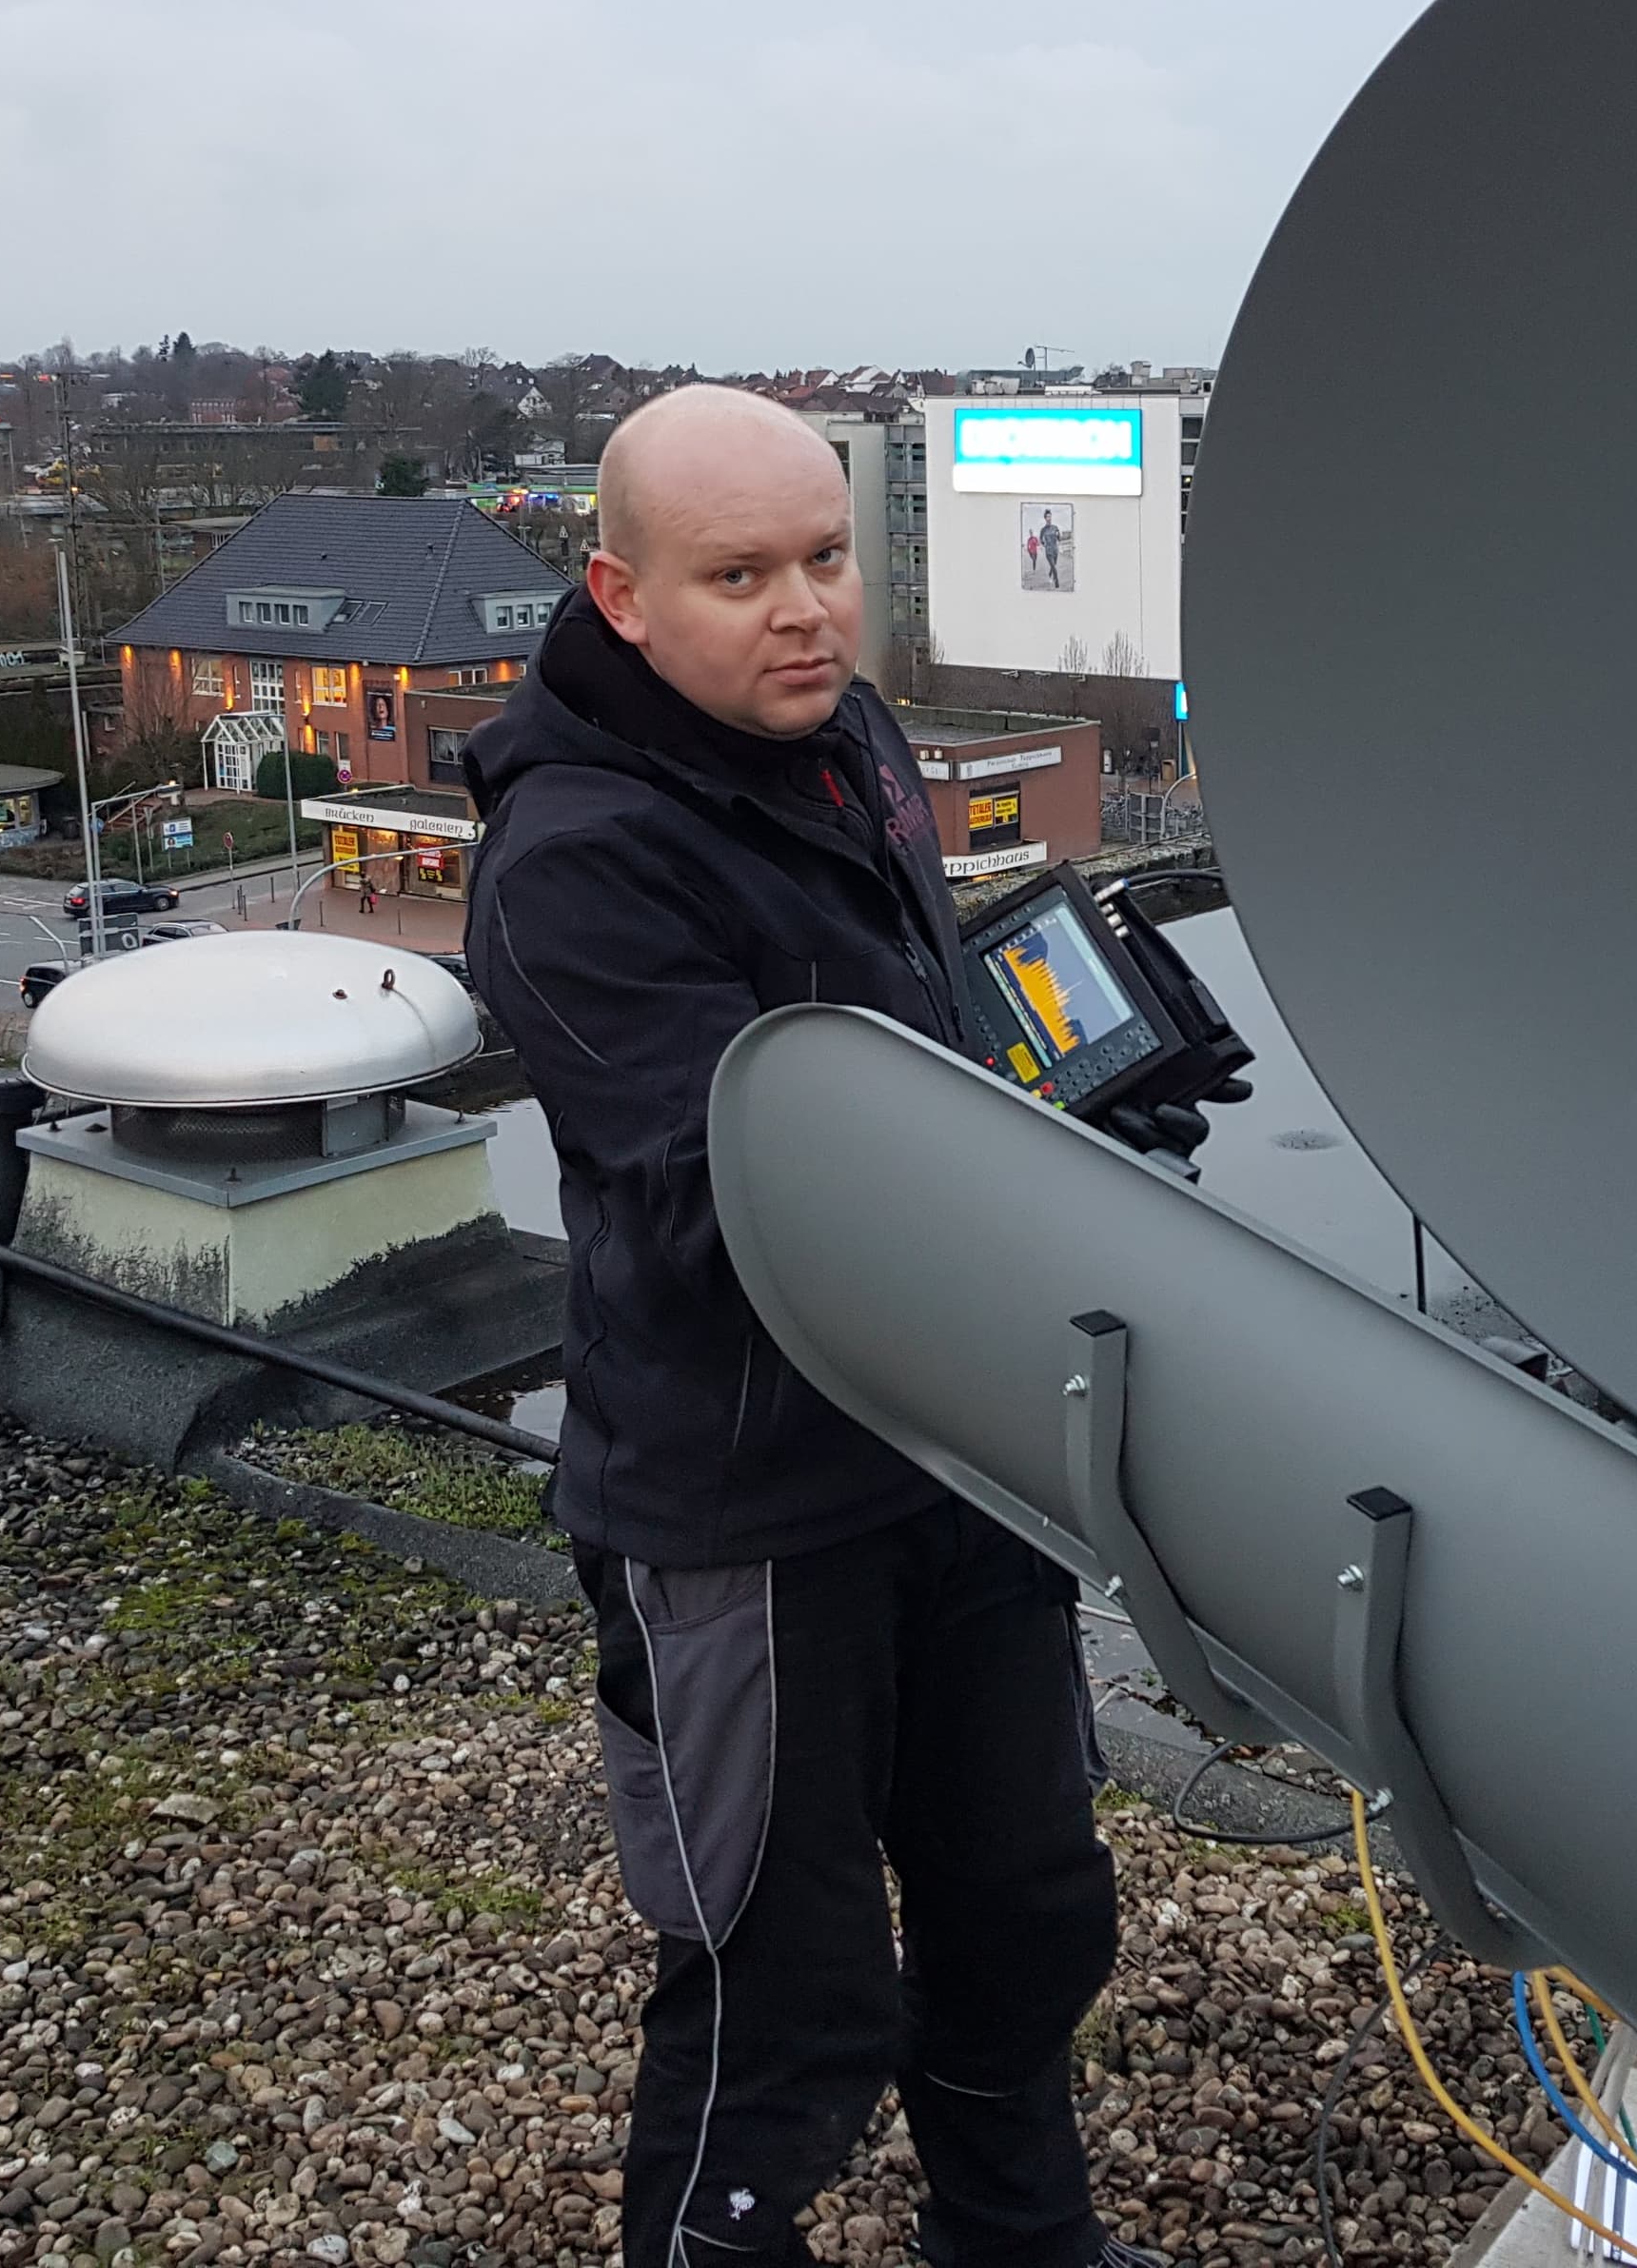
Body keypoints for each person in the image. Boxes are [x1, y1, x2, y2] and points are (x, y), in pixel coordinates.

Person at [463, 385, 1129, 2268]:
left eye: (828, 561)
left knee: (1024, 1914)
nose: (804, 613)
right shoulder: (578, 859)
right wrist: (1018, 1195)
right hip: (751, 1512)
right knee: (788, 1990)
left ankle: (1025, 2250)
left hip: (960, 1457)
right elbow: (716, 1199)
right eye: (739, 575)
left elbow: (924, 1049)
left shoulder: (856, 743)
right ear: (621, 595)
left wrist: (1067, 1103)